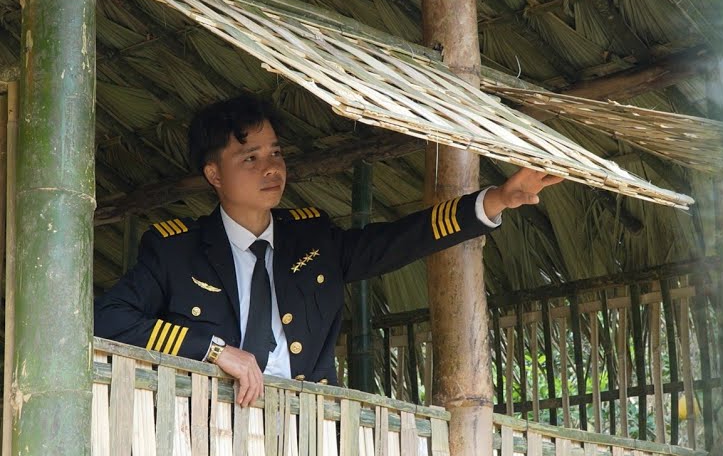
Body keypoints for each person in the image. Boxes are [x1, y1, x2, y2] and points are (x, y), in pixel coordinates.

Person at [95, 95, 562, 407]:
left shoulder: (312, 240)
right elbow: (107, 319)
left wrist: (498, 199)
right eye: (250, 158)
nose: (271, 168)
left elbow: (403, 238)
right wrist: (217, 352)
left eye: (276, 153)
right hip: (207, 428)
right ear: (214, 174)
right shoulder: (176, 251)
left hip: (310, 433)